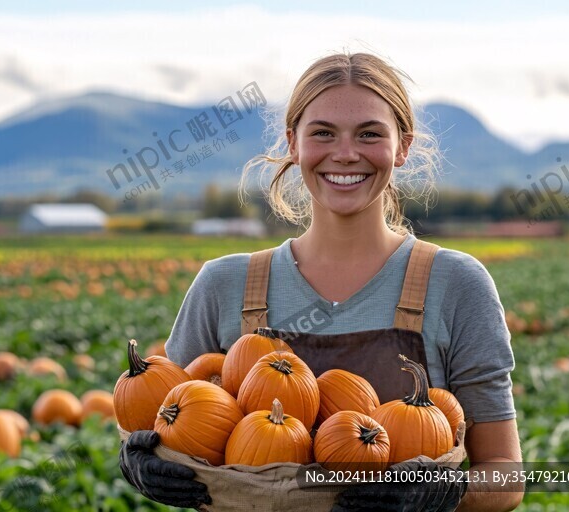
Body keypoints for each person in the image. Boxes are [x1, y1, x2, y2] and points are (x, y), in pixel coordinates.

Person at [119, 52, 524, 511]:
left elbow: (507, 475)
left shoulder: (455, 283)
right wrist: (139, 460)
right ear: (294, 143)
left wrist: (442, 495)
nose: (346, 153)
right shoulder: (223, 285)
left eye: (370, 133)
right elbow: (161, 420)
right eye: (323, 133)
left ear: (403, 146)